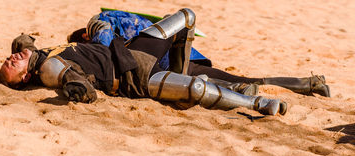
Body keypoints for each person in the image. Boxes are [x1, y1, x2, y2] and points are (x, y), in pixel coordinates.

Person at [0, 8, 326, 116]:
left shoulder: (49, 51)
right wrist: (77, 88)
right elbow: (78, 85)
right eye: (12, 64)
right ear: (25, 78)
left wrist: (106, 35)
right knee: (200, 86)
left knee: (186, 16)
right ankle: (257, 102)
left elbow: (24, 45)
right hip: (135, 77)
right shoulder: (50, 68)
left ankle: (302, 84)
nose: (11, 58)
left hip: (144, 53)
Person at [67, 9, 331, 98]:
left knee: (210, 84)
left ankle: (237, 89)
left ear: (84, 36)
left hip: (158, 61)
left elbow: (105, 39)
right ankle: (309, 84)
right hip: (181, 56)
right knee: (243, 81)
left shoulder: (100, 21)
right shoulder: (118, 20)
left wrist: (102, 47)